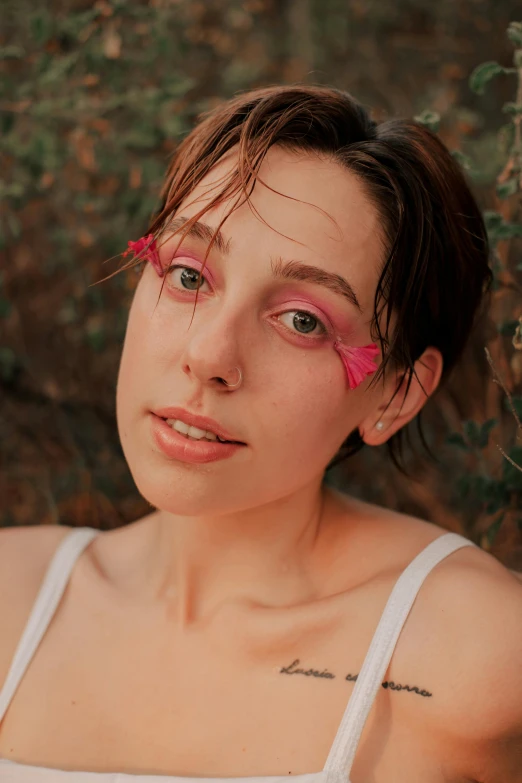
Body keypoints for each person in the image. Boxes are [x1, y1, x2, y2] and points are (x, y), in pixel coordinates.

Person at [0, 85, 521, 783]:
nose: (210, 357)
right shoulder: (11, 599)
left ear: (395, 393)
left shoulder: (474, 653)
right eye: (189, 274)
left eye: (304, 320)